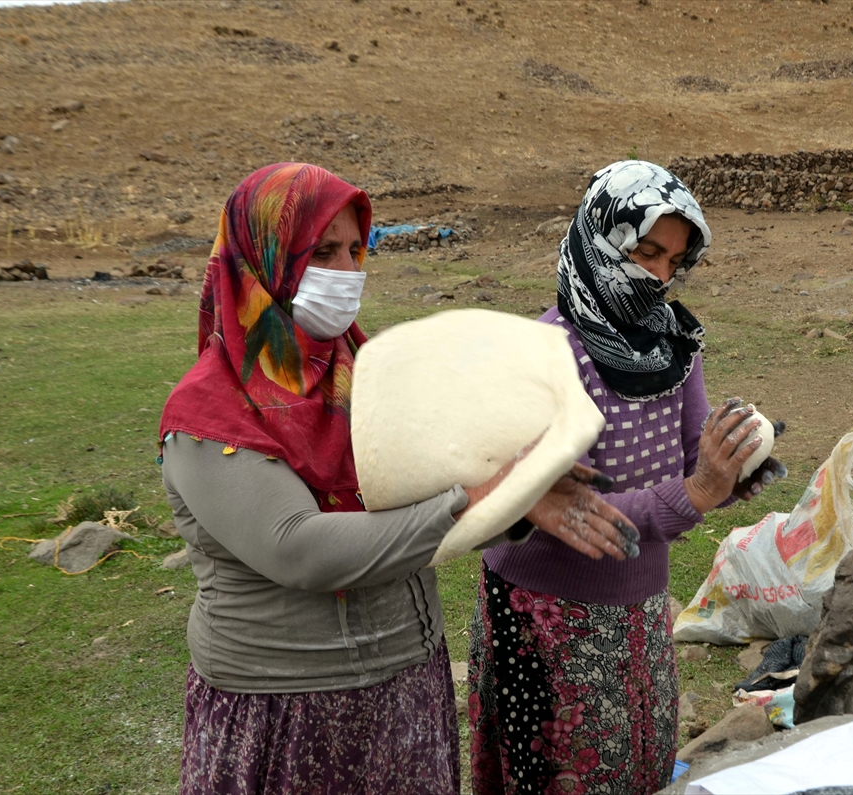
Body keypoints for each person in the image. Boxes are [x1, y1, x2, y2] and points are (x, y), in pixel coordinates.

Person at [158, 162, 638, 795]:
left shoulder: (363, 373)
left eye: (357, 250)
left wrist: (522, 495)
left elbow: (418, 485)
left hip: (408, 684)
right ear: (262, 260)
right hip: (290, 709)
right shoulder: (208, 414)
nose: (346, 272)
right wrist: (480, 497)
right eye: (322, 251)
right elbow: (298, 549)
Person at [467, 160, 785, 795]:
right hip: (545, 616)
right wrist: (697, 494)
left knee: (636, 771)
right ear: (600, 237)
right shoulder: (546, 356)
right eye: (645, 251)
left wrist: (730, 466)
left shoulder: (671, 343)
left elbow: (693, 463)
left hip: (637, 610)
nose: (660, 275)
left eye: (674, 259)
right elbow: (577, 512)